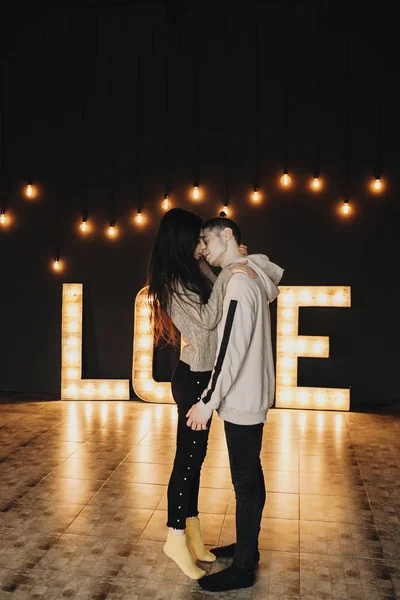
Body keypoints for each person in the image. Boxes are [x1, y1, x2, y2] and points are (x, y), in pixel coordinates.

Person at [147, 208, 256, 580]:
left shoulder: (196, 271)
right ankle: (174, 536)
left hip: (204, 376)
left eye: (204, 239)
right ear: (181, 241)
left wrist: (225, 269)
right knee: (187, 461)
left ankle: (192, 532)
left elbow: (219, 305)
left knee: (195, 461)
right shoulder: (174, 282)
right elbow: (210, 319)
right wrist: (229, 273)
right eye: (197, 240)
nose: (202, 246)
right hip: (193, 378)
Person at [186, 217, 284, 592]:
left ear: (228, 235)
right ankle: (247, 550)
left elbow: (230, 349)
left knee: (244, 481)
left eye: (206, 240)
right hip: (249, 393)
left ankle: (244, 566)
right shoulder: (249, 275)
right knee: (249, 475)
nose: (202, 249)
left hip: (241, 397)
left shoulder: (240, 282)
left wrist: (206, 402)